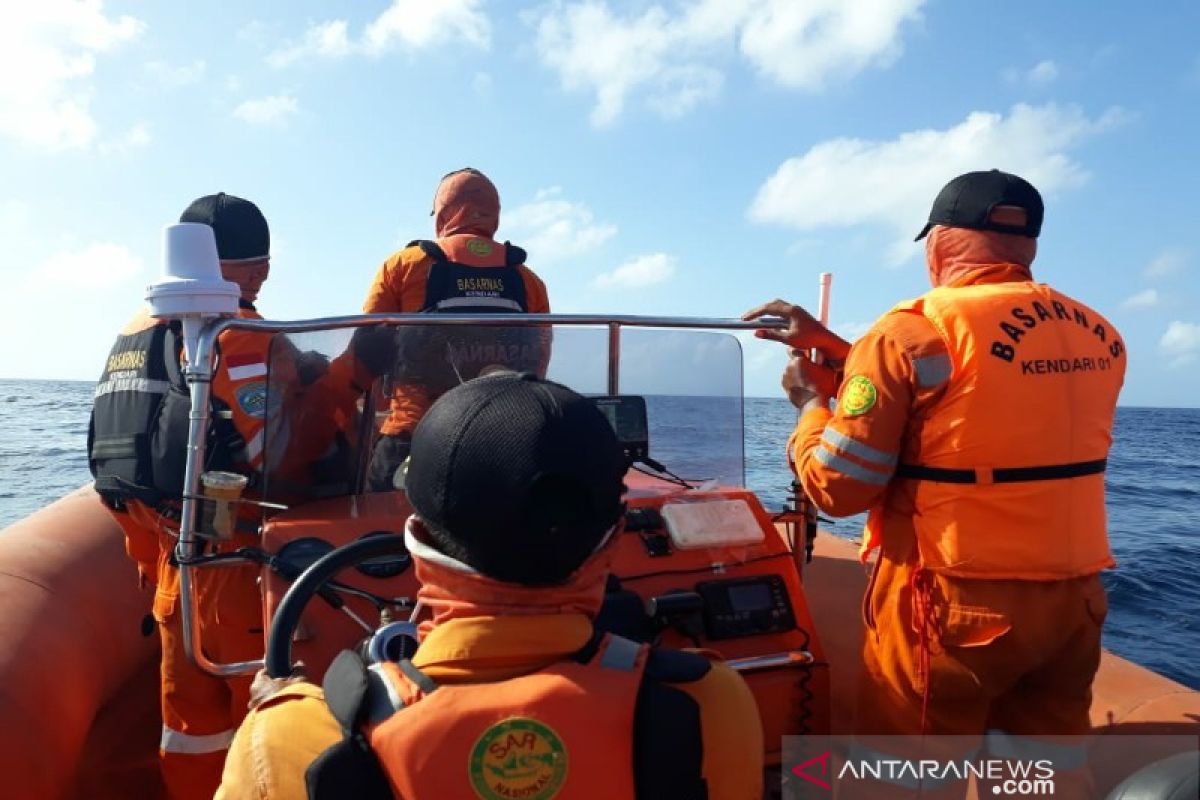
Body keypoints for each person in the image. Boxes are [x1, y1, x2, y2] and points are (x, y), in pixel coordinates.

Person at [745, 170, 1125, 793]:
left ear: (940, 241)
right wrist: (840, 348)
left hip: (950, 608)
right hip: (1072, 605)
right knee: (1041, 777)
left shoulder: (909, 329)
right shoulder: (1098, 333)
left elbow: (839, 488)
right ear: (1026, 243)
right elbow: (976, 403)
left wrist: (809, 408)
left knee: (905, 782)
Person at [216, 372, 764, 800]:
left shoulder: (292, 737)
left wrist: (275, 707)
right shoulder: (708, 700)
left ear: (418, 536)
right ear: (612, 538)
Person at [88, 193, 360, 800]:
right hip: (236, 572)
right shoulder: (235, 332)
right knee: (268, 727)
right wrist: (348, 380)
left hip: (169, 570)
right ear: (228, 266)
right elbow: (284, 457)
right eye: (253, 261)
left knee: (189, 732)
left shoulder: (135, 332)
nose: (264, 272)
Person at [362, 167, 551, 491]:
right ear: (494, 216)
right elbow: (538, 361)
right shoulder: (528, 280)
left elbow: (366, 350)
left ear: (445, 213)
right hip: (501, 438)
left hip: (413, 434)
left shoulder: (403, 265)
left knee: (383, 528)